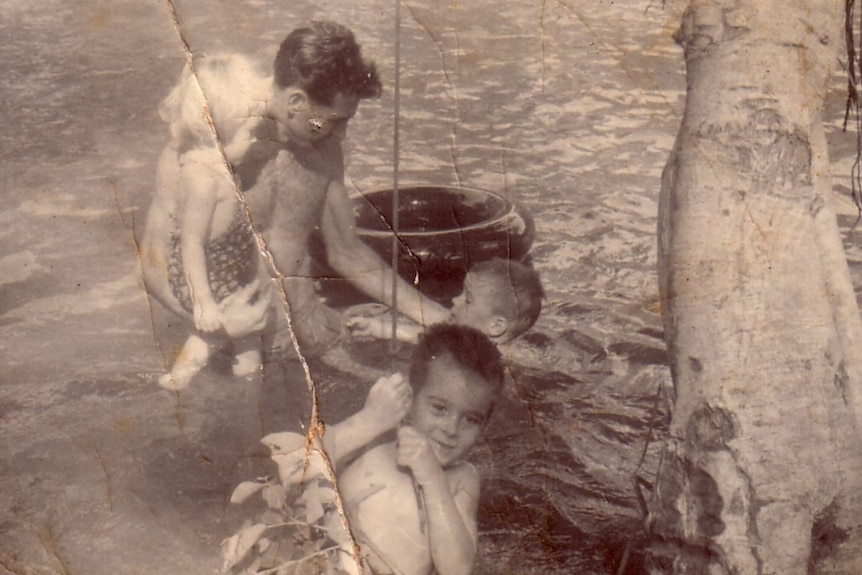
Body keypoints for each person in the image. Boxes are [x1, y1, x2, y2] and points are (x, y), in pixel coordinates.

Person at [140, 21, 450, 386]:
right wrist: (217, 326)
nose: (342, 134)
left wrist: (443, 320)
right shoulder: (204, 148)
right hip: (222, 353)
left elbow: (347, 252)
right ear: (296, 102)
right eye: (335, 121)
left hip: (309, 340)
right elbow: (152, 268)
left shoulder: (323, 148)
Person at [323, 323, 505, 575]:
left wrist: (432, 477)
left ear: (485, 424)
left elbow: (457, 570)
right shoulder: (375, 438)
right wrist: (367, 421)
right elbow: (294, 467)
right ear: (411, 398)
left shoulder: (461, 480)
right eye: (440, 408)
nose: (452, 429)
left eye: (470, 419)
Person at [139, 54, 272, 389]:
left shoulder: (222, 165)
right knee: (209, 337)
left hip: (224, 269)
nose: (254, 140)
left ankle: (244, 383)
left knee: (249, 342)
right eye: (249, 132)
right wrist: (204, 304)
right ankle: (177, 381)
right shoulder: (201, 179)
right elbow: (190, 245)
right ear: (220, 132)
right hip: (205, 280)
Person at [347, 257, 544, 345]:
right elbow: (428, 335)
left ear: (496, 326)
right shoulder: (483, 342)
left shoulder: (477, 355)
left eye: (467, 299)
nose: (454, 300)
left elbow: (425, 338)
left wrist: (378, 328)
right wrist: (379, 327)